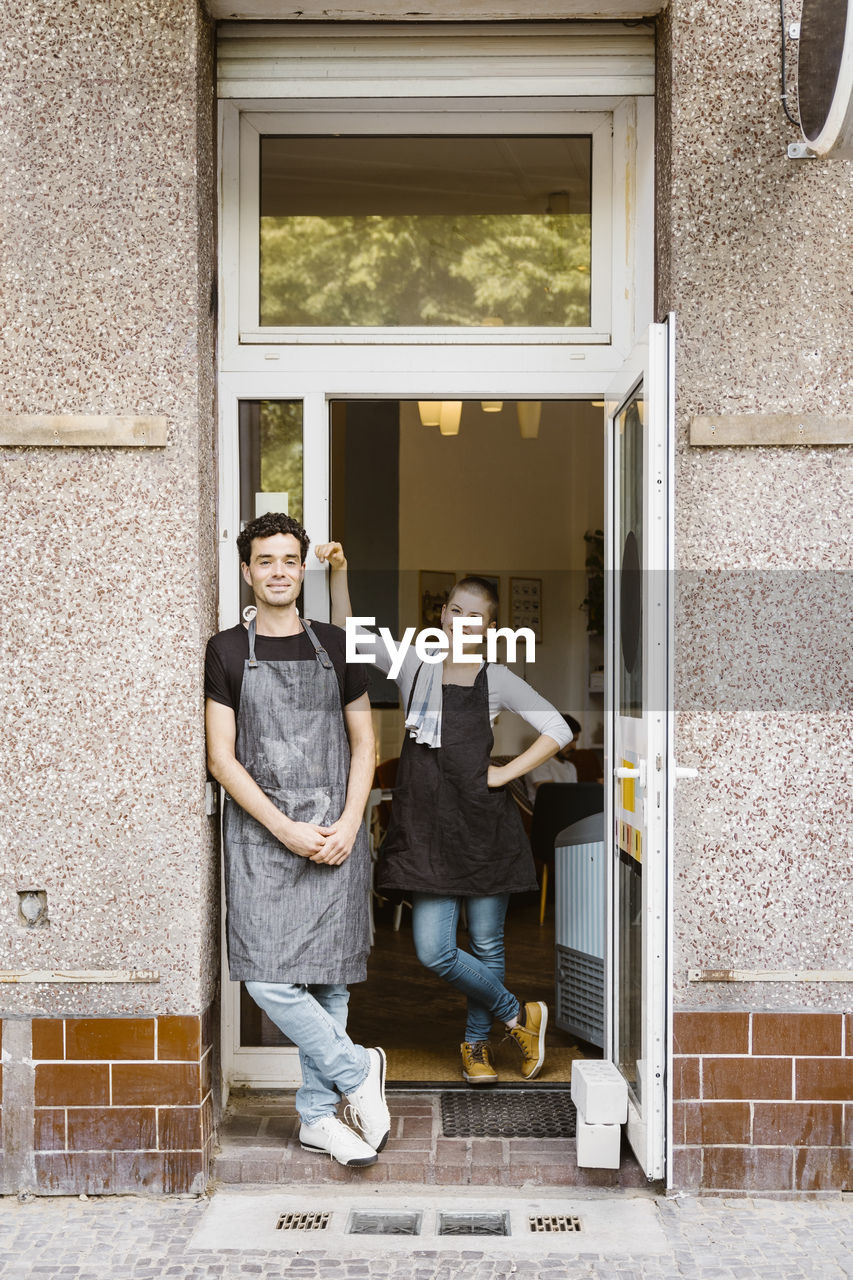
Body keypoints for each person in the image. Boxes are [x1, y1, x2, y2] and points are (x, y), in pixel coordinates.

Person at [315, 542, 572, 1087]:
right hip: (428, 828)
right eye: (454, 609)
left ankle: (477, 1048)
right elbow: (347, 632)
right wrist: (341, 570)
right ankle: (519, 1016)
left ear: (491, 627)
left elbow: (558, 729)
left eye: (475, 616)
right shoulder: (415, 664)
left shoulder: (497, 679)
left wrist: (503, 773)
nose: (461, 621)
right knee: (434, 951)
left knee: (486, 942)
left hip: (483, 827)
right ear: (442, 614)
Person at [205, 512, 390, 1168]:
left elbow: (366, 743)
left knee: (330, 979)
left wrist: (348, 823)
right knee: (267, 978)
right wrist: (283, 828)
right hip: (263, 839)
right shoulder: (226, 650)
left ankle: (317, 1118)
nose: (279, 571)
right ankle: (355, 1068)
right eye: (266, 561)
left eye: (290, 560)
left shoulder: (336, 647)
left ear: (301, 568)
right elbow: (223, 761)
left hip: (335, 833)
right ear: (248, 571)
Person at [524, 713, 581, 804]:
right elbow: (551, 796)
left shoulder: (570, 766)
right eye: (570, 740)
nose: (574, 747)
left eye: (575, 741)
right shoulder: (538, 763)